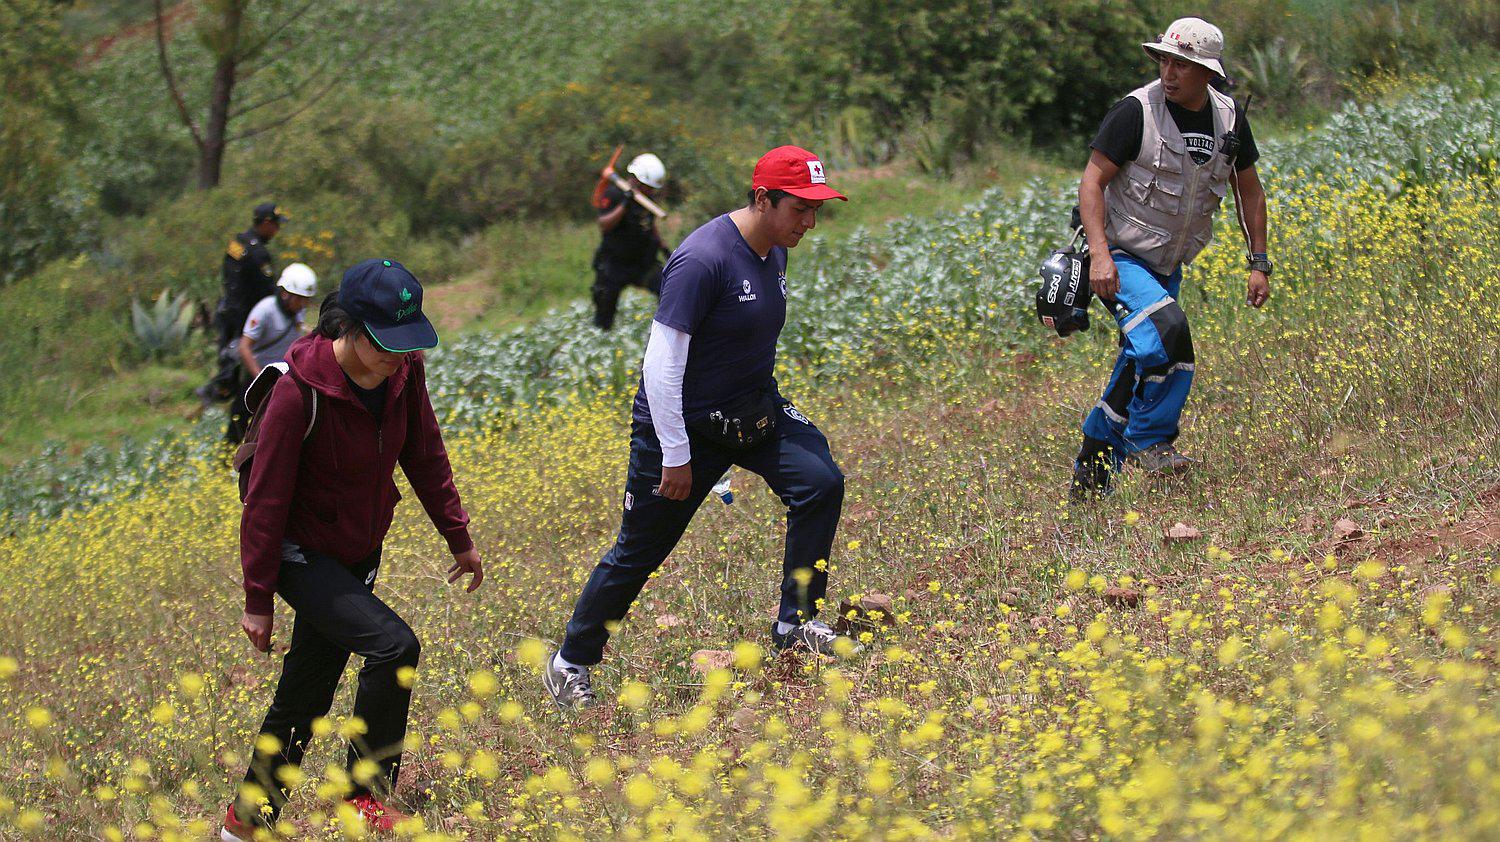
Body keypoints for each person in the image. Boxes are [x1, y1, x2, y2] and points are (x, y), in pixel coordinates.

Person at [546, 146, 852, 710]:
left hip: (750, 412)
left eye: (817, 210)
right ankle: (570, 662)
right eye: (801, 209)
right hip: (680, 428)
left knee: (820, 481)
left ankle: (796, 625)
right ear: (763, 199)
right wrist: (677, 455)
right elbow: (660, 367)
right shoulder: (703, 260)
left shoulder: (775, 251)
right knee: (640, 551)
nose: (811, 222)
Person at [223, 258, 484, 840]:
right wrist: (258, 596)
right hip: (300, 554)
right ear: (350, 329)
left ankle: (246, 821)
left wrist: (457, 536)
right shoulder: (297, 394)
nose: (399, 355)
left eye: (406, 342)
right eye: (387, 344)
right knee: (395, 647)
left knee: (307, 689)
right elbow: (264, 502)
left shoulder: (403, 374)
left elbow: (424, 452)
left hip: (358, 551)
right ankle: (364, 798)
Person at [1071, 17, 1272, 498]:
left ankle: (1091, 478)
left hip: (1167, 264)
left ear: (1209, 72)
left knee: (1138, 365)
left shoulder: (1229, 121)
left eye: (1182, 64)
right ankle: (1151, 441)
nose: (1170, 72)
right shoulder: (1135, 112)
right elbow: (1091, 183)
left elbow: (1250, 192)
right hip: (1119, 254)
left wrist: (1259, 261)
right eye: (1164, 60)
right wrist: (1100, 256)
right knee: (1169, 334)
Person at [200, 202, 286, 404]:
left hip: (227, 310)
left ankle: (218, 396)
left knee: (228, 358)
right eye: (276, 225)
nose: (277, 230)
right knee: (238, 361)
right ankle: (214, 394)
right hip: (246, 316)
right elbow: (268, 289)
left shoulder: (237, 243)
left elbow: (228, 275)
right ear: (266, 223)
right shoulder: (259, 254)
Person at [225, 263, 318, 444]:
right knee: (240, 424)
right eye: (300, 299)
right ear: (285, 294)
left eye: (306, 299)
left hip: (282, 378)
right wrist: (260, 378)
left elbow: (299, 330)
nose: (304, 304)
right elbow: (245, 347)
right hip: (257, 378)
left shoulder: (297, 311)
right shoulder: (265, 310)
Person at [592, 153, 671, 331]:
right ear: (637, 180)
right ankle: (601, 341)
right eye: (647, 187)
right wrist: (624, 205)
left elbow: (650, 225)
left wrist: (664, 248)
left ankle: (662, 331)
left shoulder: (647, 200)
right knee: (604, 307)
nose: (650, 191)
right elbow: (603, 224)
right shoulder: (614, 194)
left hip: (642, 262)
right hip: (615, 263)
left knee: (669, 289)